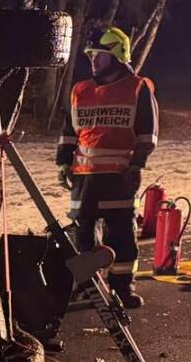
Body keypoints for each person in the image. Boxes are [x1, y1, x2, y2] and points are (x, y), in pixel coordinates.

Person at [56, 25, 158, 308]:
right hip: (84, 178)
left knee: (122, 237)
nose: (93, 61)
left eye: (100, 56)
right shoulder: (81, 90)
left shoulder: (137, 88)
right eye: (91, 56)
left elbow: (147, 134)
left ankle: (122, 290)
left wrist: (136, 165)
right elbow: (69, 132)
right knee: (83, 236)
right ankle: (86, 286)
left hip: (119, 178)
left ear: (117, 56)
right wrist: (64, 164)